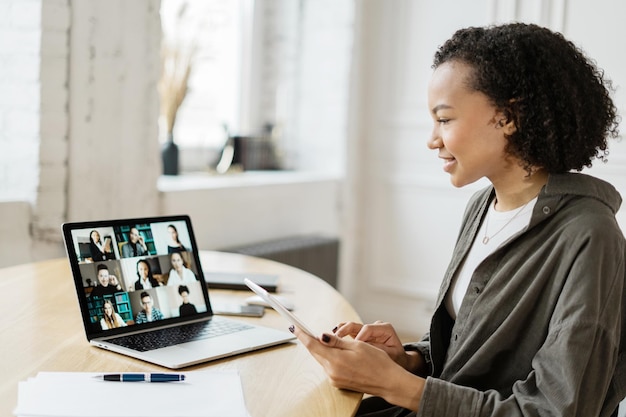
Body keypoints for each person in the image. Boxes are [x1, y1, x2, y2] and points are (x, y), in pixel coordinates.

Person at [292, 23, 626, 417]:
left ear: (509, 116)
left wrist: (397, 386)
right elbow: (471, 357)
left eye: (445, 120)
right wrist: (408, 361)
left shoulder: (589, 235)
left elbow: (556, 410)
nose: (432, 139)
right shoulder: (482, 206)